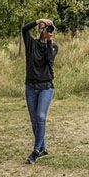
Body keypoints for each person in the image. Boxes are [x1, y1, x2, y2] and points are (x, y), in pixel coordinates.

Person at [22, 18, 58, 165]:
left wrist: (49, 41)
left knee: (41, 116)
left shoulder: (54, 46)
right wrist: (38, 21)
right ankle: (43, 148)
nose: (46, 30)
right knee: (34, 121)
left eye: (49, 27)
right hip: (30, 86)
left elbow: (49, 60)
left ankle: (36, 151)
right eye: (44, 27)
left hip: (46, 87)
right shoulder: (31, 44)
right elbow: (24, 29)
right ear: (39, 29)